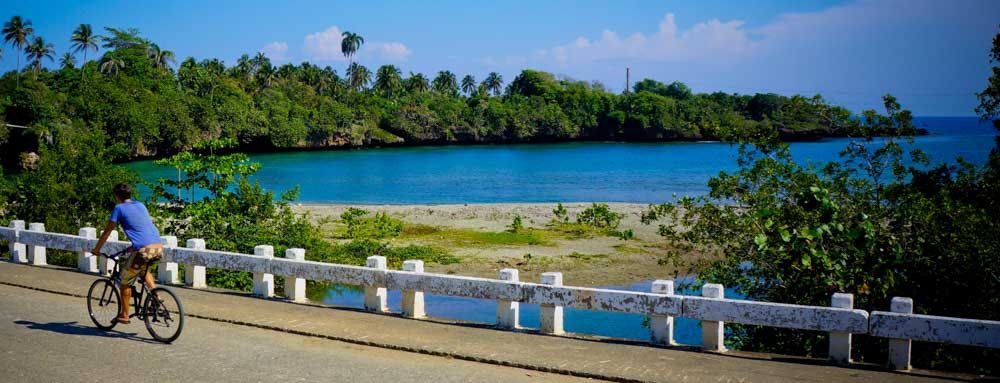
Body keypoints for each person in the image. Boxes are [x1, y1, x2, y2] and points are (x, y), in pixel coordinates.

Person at [91, 183, 164, 324]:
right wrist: (133, 246)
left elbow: (107, 232)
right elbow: (142, 228)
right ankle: (157, 296)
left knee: (125, 282)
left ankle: (124, 315)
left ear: (117, 196)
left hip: (143, 249)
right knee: (143, 270)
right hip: (157, 246)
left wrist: (97, 249)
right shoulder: (140, 205)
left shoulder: (118, 208)